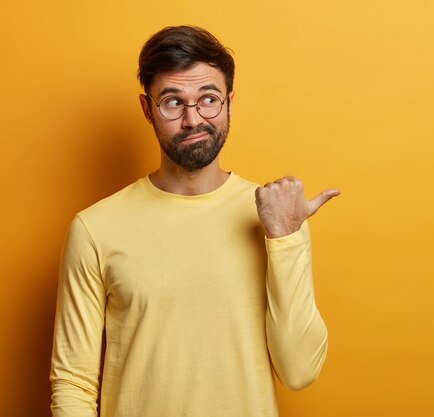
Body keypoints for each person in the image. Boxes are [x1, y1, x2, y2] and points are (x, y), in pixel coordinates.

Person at [49, 25, 339, 417]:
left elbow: (299, 371)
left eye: (208, 99)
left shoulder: (277, 218)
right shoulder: (95, 228)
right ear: (147, 108)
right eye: (173, 102)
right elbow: (73, 382)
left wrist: (284, 238)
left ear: (230, 102)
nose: (192, 119)